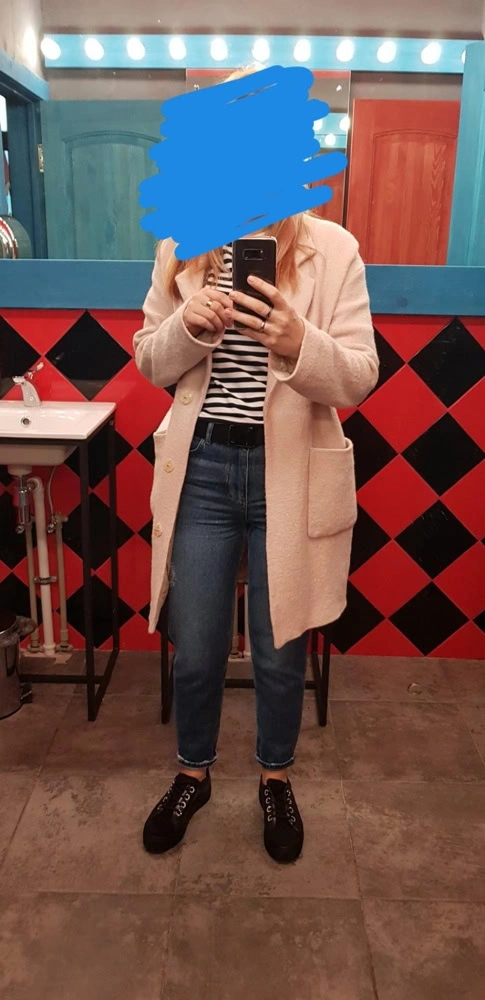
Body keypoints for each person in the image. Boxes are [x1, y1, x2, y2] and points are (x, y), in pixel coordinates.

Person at [133, 68, 379, 865]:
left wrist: (295, 340)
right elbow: (149, 362)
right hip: (204, 469)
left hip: (290, 474)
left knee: (280, 648)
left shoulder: (334, 251)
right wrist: (188, 326)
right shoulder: (181, 244)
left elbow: (357, 377)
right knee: (197, 644)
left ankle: (275, 777)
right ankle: (192, 773)